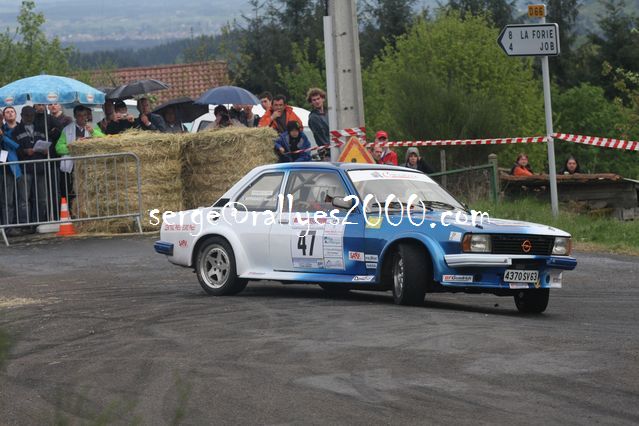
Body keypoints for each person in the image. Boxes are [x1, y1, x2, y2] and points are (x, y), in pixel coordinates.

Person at [14, 106, 50, 225]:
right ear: (22, 115)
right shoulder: (16, 130)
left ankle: (39, 222)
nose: (30, 117)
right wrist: (24, 151)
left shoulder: (40, 129)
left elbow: (45, 143)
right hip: (25, 168)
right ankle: (26, 224)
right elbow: (14, 149)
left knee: (42, 198)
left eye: (32, 115)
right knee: (24, 199)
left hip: (39, 167)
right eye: (27, 115)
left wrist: (45, 150)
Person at [0, 111, 22, 231]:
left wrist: (3, 136)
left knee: (9, 200)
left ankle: (9, 226)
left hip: (8, 169)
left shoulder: (6, 130)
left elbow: (16, 145)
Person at [307, 88, 330, 159]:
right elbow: (321, 137)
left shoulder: (329, 113)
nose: (317, 101)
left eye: (318, 98)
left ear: (323, 99)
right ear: (311, 102)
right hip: (326, 152)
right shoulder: (313, 118)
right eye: (314, 100)